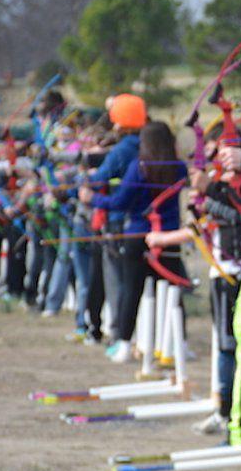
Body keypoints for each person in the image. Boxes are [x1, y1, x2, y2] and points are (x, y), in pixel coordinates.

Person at [79, 120, 187, 363]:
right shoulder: (179, 167)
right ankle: (181, 344)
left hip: (138, 237)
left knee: (131, 291)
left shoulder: (139, 168)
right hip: (169, 238)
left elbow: (119, 202)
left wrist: (92, 198)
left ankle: (125, 345)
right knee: (173, 291)